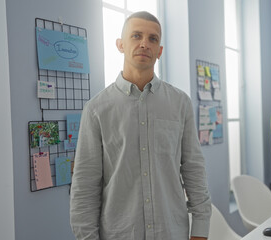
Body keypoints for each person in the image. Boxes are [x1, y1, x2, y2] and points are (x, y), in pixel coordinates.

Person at [70, 11, 211, 240]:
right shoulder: (96, 109)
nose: (144, 43)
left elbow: (194, 169)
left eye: (152, 38)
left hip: (172, 232)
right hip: (119, 234)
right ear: (121, 45)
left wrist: (201, 231)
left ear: (160, 51)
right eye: (136, 36)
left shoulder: (180, 103)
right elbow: (84, 187)